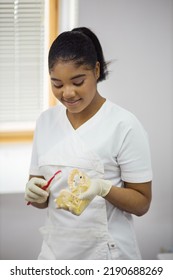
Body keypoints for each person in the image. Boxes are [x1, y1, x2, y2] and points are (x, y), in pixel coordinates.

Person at [25, 27, 152, 260]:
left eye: (77, 81)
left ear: (95, 70)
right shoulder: (45, 122)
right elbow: (42, 196)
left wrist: (103, 188)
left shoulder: (124, 125)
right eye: (57, 84)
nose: (68, 93)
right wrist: (36, 194)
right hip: (55, 254)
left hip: (107, 256)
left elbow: (142, 203)